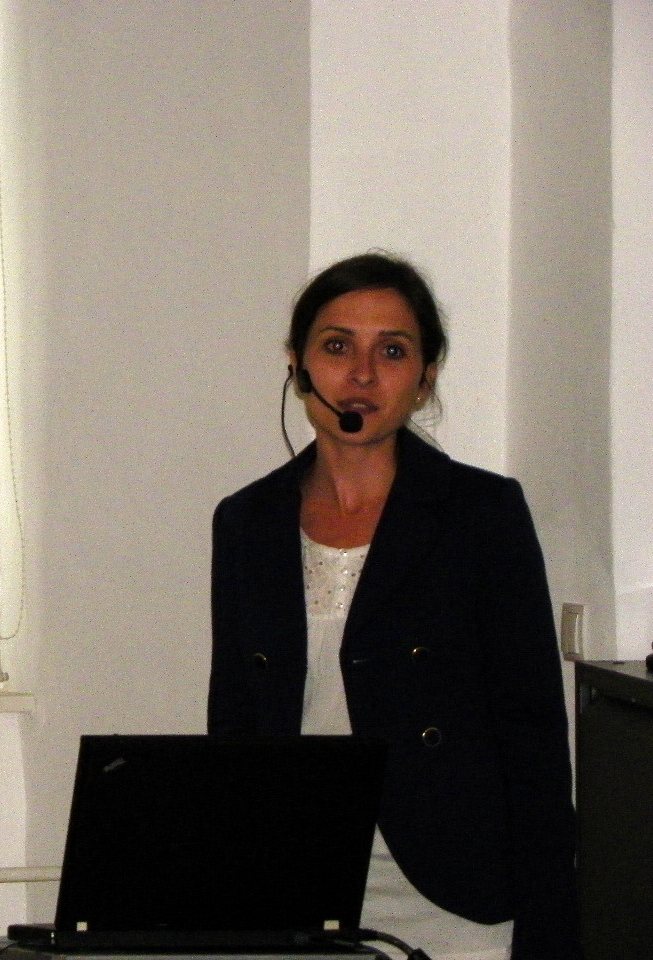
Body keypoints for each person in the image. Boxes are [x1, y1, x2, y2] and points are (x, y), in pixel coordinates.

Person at [208, 252, 581, 960]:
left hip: (454, 888)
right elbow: (235, 724)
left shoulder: (481, 514)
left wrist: (549, 925)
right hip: (299, 887)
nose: (362, 374)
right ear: (297, 365)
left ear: (426, 375)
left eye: (392, 351)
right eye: (337, 346)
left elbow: (532, 732)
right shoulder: (247, 522)